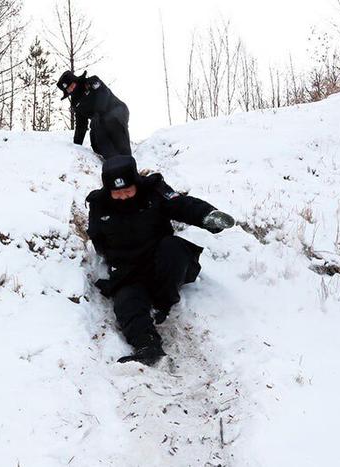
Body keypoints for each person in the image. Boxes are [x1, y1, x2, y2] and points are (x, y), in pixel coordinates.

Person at [86, 156, 235, 365]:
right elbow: (98, 240)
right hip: (128, 272)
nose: (123, 196)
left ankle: (162, 303)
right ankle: (147, 346)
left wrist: (207, 216)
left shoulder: (153, 190)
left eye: (128, 190)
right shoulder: (99, 204)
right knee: (127, 303)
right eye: (117, 193)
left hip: (161, 262)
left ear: (136, 182)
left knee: (173, 247)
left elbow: (182, 205)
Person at [57, 70, 131, 160]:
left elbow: (103, 94)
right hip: (100, 120)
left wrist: (97, 112)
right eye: (69, 89)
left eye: (72, 86)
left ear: (75, 81)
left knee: (112, 122)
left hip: (117, 109)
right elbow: (81, 125)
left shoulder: (91, 82)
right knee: (95, 140)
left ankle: (127, 160)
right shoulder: (76, 103)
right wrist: (76, 147)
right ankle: (113, 161)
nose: (72, 90)